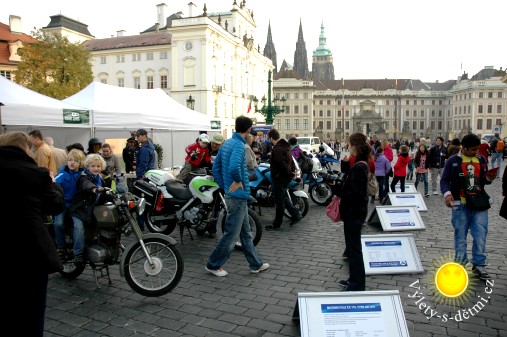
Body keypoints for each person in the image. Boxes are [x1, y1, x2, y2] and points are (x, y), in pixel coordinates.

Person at [0, 131, 65, 336]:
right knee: (31, 311)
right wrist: (53, 183)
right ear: (25, 147)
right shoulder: (34, 173)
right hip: (30, 250)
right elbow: (55, 206)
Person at [205, 116, 269, 277]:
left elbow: (217, 167)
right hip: (238, 196)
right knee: (231, 235)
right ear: (248, 130)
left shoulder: (227, 143)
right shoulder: (240, 146)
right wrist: (238, 181)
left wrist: (225, 185)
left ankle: (255, 264)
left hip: (232, 194)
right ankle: (213, 264)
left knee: (245, 233)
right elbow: (234, 167)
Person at [440, 133, 497, 281]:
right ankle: (460, 264)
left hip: (479, 203)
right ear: (464, 148)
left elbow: (483, 180)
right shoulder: (453, 161)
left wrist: (489, 178)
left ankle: (479, 264)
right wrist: (447, 194)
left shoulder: (482, 159)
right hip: (461, 203)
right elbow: (444, 180)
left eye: (477, 149)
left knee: (480, 235)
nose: (476, 152)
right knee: (460, 236)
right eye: (473, 149)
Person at [336, 132, 371, 291]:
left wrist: (339, 190)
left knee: (354, 251)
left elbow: (354, 192)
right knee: (352, 250)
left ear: (355, 146)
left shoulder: (360, 166)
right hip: (356, 212)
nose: (347, 147)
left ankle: (357, 285)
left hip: (354, 213)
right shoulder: (360, 163)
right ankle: (353, 280)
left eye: (349, 144)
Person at [70, 154, 109, 260]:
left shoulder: (101, 179)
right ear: (87, 166)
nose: (96, 168)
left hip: (91, 212)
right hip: (80, 210)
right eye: (93, 166)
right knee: (79, 229)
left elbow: (105, 194)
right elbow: (86, 184)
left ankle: (91, 248)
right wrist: (94, 189)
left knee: (95, 231)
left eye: (98, 166)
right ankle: (77, 253)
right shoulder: (83, 177)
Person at [265, 129, 302, 230]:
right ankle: (296, 215)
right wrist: (292, 172)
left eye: (269, 138)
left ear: (272, 138)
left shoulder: (277, 149)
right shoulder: (286, 147)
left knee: (279, 202)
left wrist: (290, 173)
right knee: (284, 197)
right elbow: (291, 161)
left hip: (279, 178)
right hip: (284, 177)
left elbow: (282, 164)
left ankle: (277, 224)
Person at [53, 149, 86, 263]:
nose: (72, 163)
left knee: (79, 227)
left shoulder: (84, 175)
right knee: (58, 223)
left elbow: (93, 183)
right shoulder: (63, 174)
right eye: (70, 160)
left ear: (80, 163)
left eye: (76, 161)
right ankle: (61, 247)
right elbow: (53, 183)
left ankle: (78, 253)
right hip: (63, 204)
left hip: (77, 206)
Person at [135, 128, 156, 230]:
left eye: (138, 136)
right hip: (149, 175)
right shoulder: (150, 146)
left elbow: (143, 164)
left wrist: (139, 176)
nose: (137, 138)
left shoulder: (144, 148)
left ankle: (140, 224)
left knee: (141, 201)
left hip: (143, 177)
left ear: (144, 135)